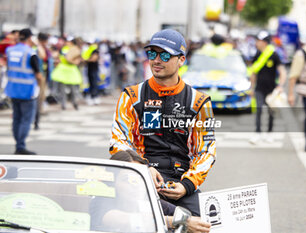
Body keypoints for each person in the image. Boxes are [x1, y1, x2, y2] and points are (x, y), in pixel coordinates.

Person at [109, 29, 216, 216]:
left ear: (181, 59)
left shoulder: (199, 102)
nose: (156, 60)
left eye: (165, 55)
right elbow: (118, 141)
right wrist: (143, 169)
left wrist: (187, 185)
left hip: (181, 180)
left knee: (209, 222)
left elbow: (206, 150)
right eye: (152, 53)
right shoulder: (131, 96)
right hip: (139, 176)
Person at [104, 150, 211, 233]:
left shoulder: (155, 204)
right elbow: (113, 218)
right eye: (127, 179)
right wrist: (173, 221)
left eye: (140, 178)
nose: (135, 184)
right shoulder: (102, 200)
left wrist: (195, 223)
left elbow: (194, 221)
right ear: (113, 182)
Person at [4, 28, 44, 155]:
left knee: (16, 118)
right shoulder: (30, 53)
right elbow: (38, 74)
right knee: (26, 119)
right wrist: (39, 86)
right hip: (27, 90)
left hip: (13, 89)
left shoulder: (9, 50)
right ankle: (20, 146)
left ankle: (18, 144)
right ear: (29, 38)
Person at [248, 31, 287, 144]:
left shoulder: (274, 55)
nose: (256, 43)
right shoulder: (257, 54)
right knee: (259, 109)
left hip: (271, 89)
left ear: (264, 42)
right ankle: (257, 132)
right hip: (259, 88)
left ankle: (270, 132)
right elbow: (253, 73)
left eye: (258, 41)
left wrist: (280, 86)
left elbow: (282, 72)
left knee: (271, 111)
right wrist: (251, 88)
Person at [51, 37, 83, 110]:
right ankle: (64, 104)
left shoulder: (73, 49)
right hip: (64, 69)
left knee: (73, 89)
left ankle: (73, 102)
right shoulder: (66, 48)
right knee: (63, 89)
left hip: (70, 69)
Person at [34, 32, 52, 130]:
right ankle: (36, 115)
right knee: (38, 96)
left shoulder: (44, 48)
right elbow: (41, 57)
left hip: (44, 74)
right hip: (38, 75)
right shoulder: (37, 48)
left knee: (42, 95)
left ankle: (38, 112)